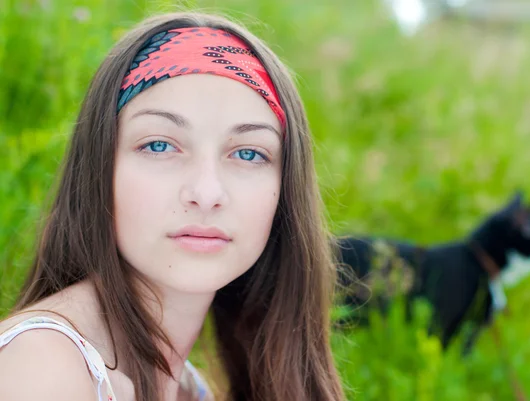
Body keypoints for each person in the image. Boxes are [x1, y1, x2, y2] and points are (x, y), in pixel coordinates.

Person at [0, 11, 346, 401]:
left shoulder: (190, 390)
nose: (207, 191)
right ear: (99, 168)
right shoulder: (43, 369)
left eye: (248, 153)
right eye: (160, 145)